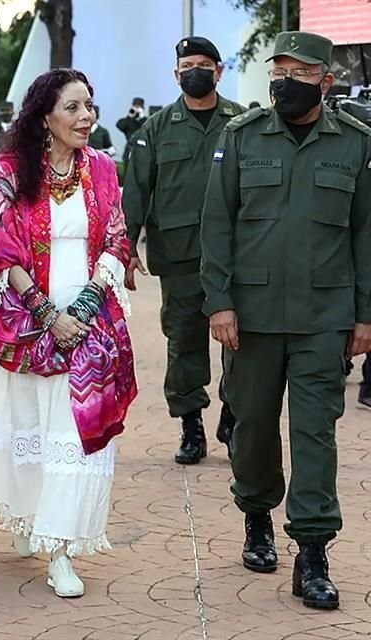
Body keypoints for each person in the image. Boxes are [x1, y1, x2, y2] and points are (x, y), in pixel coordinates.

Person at [0, 69, 137, 599]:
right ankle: (31, 519)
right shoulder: (9, 168)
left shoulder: (100, 167)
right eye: (73, 108)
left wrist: (90, 302)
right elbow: (1, 248)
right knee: (32, 427)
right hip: (30, 322)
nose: (86, 118)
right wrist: (49, 315)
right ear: (45, 116)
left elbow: (117, 237)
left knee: (75, 436)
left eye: (89, 107)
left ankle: (61, 549)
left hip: (91, 318)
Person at [201, 31, 371, 611]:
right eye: (279, 71)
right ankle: (255, 513)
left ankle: (313, 553)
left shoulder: (355, 144)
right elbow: (216, 224)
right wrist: (218, 302)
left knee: (316, 435)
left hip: (324, 317)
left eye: (299, 73)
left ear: (326, 80)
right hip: (248, 318)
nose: (284, 82)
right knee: (251, 427)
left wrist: (365, 316)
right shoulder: (241, 137)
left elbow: (366, 235)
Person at [122, 37, 245, 464]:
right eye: (187, 64)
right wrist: (127, 245)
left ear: (219, 70)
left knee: (241, 341)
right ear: (176, 74)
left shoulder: (242, 122)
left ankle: (232, 415)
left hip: (237, 255)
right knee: (185, 342)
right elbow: (136, 189)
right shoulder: (156, 129)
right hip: (179, 255)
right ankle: (190, 424)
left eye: (204, 64)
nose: (195, 71)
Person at [116, 96, 147, 166]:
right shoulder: (129, 121)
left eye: (139, 107)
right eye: (135, 106)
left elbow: (148, 129)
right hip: (129, 150)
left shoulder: (145, 121)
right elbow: (120, 125)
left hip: (143, 151)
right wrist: (130, 116)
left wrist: (142, 117)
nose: (136, 109)